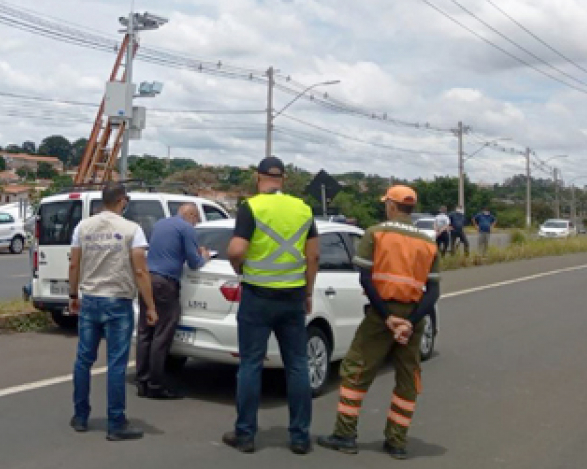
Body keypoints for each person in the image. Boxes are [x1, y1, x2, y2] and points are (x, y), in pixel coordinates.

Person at [318, 185, 441, 460]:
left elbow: (365, 279)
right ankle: (397, 442)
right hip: (413, 316)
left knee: (355, 369)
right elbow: (433, 291)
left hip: (380, 315)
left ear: (392, 206)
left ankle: (345, 435)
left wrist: (388, 317)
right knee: (408, 379)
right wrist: (409, 322)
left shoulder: (376, 233)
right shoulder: (428, 243)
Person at [222, 157, 319, 455]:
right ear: (284, 179)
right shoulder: (303, 209)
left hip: (258, 296)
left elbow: (237, 249)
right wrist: (308, 293)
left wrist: (239, 268)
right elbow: (313, 256)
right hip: (292, 297)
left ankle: (246, 434)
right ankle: (300, 437)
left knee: (251, 364)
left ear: (257, 177)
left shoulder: (252, 207)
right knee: (298, 365)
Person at [68, 183, 157, 441]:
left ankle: (81, 416)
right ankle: (116, 422)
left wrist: (73, 295)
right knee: (116, 364)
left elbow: (74, 263)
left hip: (90, 299)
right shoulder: (132, 230)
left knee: (84, 360)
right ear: (122, 201)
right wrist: (150, 306)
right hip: (118, 302)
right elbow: (140, 270)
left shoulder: (83, 227)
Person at [135, 203, 212, 399]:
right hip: (165, 283)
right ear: (192, 215)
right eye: (197, 220)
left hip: (148, 280)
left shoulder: (160, 224)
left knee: (145, 332)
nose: (196, 224)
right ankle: (156, 384)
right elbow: (194, 263)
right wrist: (205, 256)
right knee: (162, 334)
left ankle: (142, 381)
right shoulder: (186, 228)